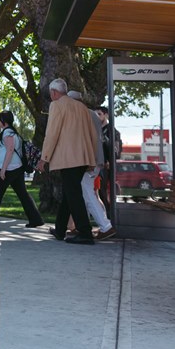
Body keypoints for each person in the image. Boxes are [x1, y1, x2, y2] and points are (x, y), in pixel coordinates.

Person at [37, 78, 100, 244]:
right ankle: (59, 229)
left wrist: (44, 158)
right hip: (83, 157)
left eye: (50, 93)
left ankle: (85, 232)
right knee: (69, 193)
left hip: (68, 158)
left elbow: (52, 133)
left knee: (73, 194)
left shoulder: (56, 105)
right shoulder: (82, 107)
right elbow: (94, 135)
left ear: (54, 92)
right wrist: (91, 159)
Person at [0, 111, 43, 228]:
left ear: (4, 121)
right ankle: (35, 219)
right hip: (15, 168)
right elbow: (1, 152)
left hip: (9, 168)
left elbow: (10, 150)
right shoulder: (10, 132)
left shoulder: (7, 133)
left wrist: (3, 169)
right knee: (22, 194)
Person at [68, 91, 115, 241]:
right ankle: (85, 227)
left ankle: (105, 226)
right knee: (86, 193)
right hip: (95, 160)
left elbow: (88, 139)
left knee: (88, 193)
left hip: (90, 161)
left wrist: (89, 161)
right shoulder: (91, 114)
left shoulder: (81, 116)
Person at [96, 106, 120, 209]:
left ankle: (108, 215)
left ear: (106, 115)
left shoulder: (112, 131)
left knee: (102, 191)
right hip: (96, 165)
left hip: (105, 166)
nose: (96, 117)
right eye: (95, 114)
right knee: (96, 191)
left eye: (99, 114)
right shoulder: (96, 130)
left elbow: (116, 150)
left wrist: (110, 161)